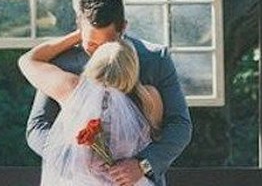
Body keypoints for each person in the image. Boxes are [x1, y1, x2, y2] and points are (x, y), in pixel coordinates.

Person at [23, 0, 192, 185]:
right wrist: (71, 157)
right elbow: (37, 126)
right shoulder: (62, 64)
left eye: (109, 43)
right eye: (91, 44)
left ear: (123, 28)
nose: (100, 53)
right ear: (79, 26)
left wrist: (143, 164)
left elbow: (180, 125)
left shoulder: (154, 58)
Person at [19, 33, 162, 185]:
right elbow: (158, 141)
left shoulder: (72, 88)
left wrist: (81, 34)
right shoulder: (149, 98)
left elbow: (29, 60)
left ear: (93, 64)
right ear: (132, 69)